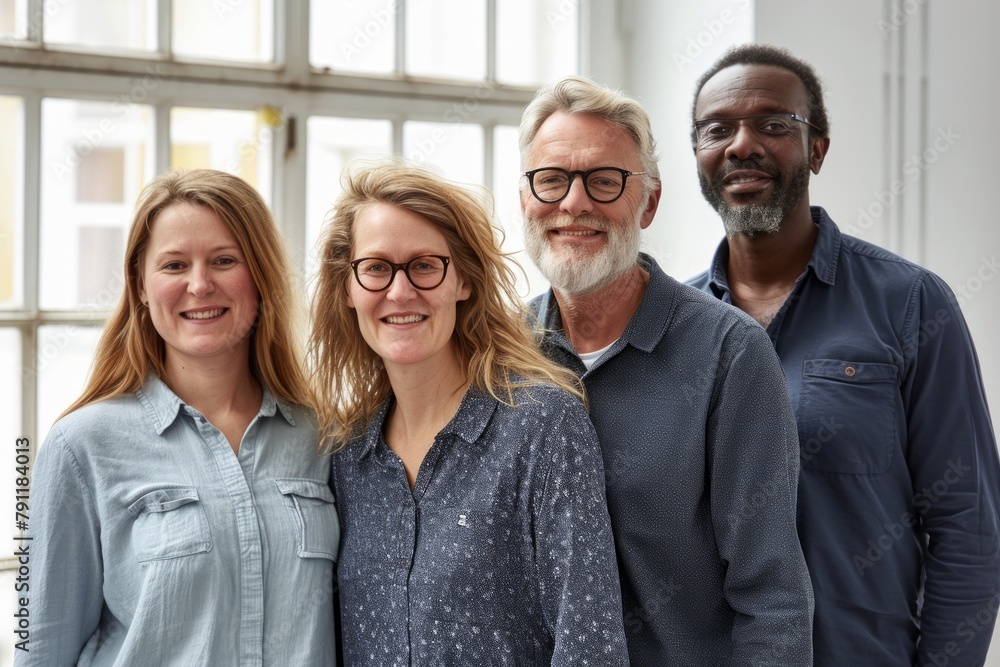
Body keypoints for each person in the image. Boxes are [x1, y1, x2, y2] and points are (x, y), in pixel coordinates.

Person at [686, 43, 1000, 666]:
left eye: (774, 125)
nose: (742, 144)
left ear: (818, 149)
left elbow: (967, 528)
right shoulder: (674, 328)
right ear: (698, 155)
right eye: (716, 129)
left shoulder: (910, 303)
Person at [518, 76, 814, 664]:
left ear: (648, 202)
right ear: (525, 198)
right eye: (551, 180)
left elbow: (772, 597)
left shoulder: (729, 354)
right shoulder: (501, 354)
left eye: (605, 181)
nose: (574, 204)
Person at [310, 157, 629, 666]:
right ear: (348, 288)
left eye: (424, 265)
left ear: (464, 281)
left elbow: (589, 644)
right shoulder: (346, 453)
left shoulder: (542, 428)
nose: (399, 291)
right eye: (375, 268)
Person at [19, 169, 338, 665]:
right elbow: (42, 646)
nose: (199, 284)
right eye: (173, 265)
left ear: (261, 278)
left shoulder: (326, 438)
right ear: (141, 287)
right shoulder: (81, 445)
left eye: (224, 260)